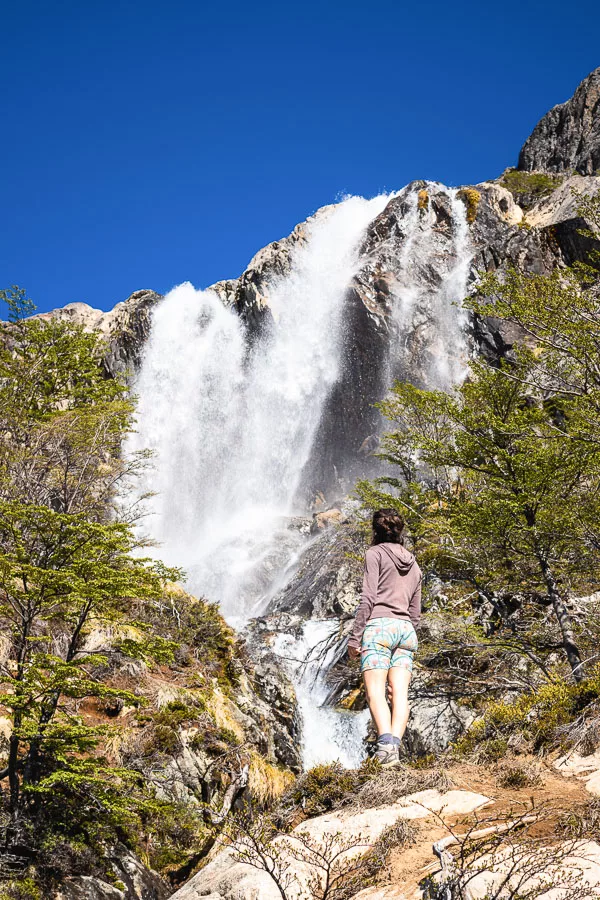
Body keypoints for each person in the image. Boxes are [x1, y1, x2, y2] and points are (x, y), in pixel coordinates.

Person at [347, 508, 422, 765]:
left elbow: (368, 598)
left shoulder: (374, 554)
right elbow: (415, 611)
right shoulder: (414, 564)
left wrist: (355, 638)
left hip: (379, 628)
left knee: (375, 692)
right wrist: (405, 629)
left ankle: (384, 749)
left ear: (375, 530)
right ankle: (394, 752)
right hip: (406, 630)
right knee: (399, 693)